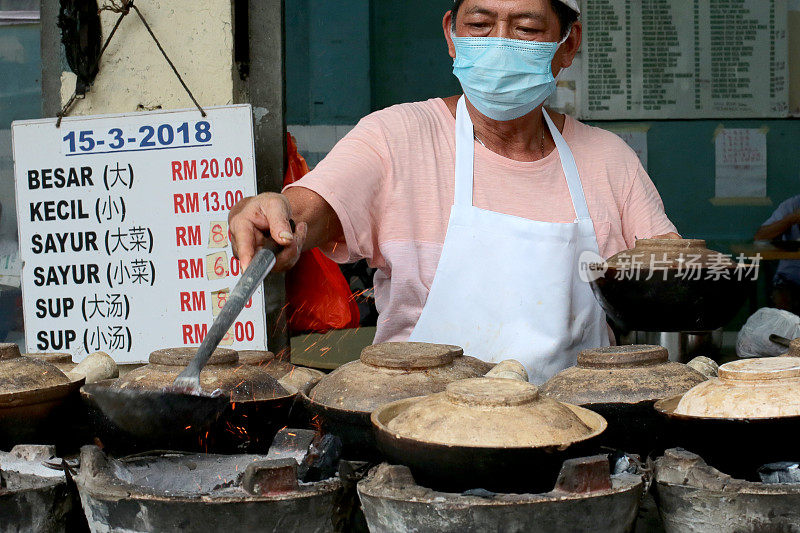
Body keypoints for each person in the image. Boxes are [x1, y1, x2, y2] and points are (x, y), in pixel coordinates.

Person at [229, 0, 679, 384]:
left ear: (568, 44)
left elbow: (674, 276)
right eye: (480, 26)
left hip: (574, 436)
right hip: (420, 431)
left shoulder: (608, 160)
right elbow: (314, 208)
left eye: (526, 28)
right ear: (451, 34)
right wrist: (280, 213)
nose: (500, 43)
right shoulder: (397, 136)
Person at [755, 195, 800, 314]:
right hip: (790, 276)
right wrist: (791, 219)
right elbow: (761, 236)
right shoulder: (792, 204)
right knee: (782, 297)